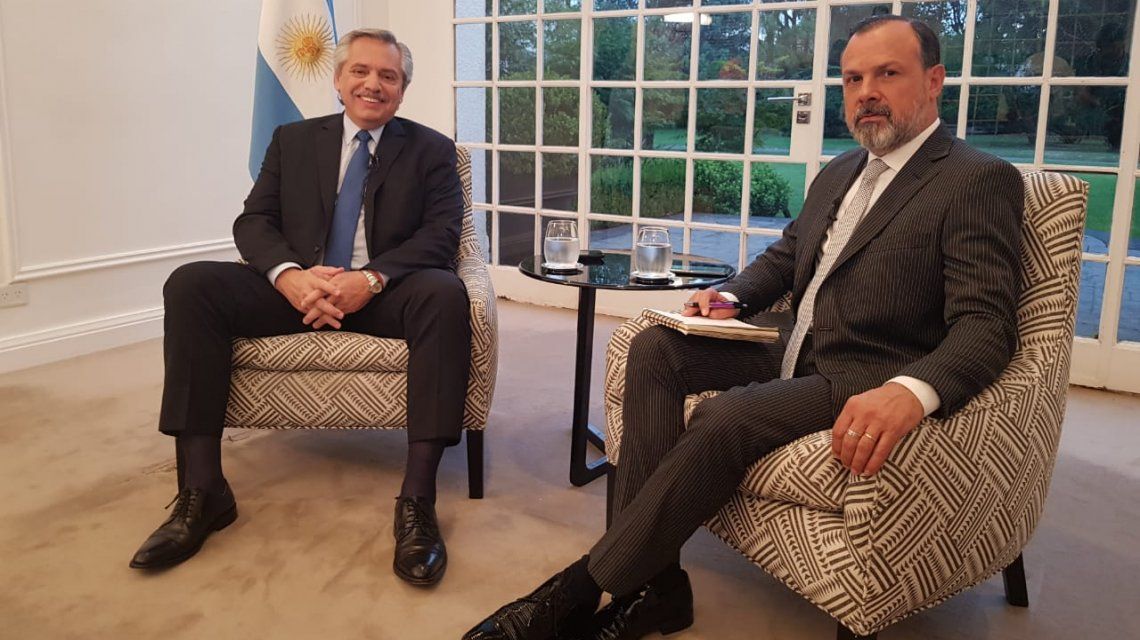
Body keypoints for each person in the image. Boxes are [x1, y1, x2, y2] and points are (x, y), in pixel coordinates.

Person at [465, 14, 1024, 640]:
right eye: (852, 79)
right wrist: (730, 295)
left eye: (887, 74)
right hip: (790, 340)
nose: (866, 92)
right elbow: (787, 256)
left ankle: (577, 590)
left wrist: (912, 391)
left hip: (864, 371)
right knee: (654, 349)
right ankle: (660, 587)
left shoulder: (975, 179)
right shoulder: (841, 170)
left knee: (724, 417)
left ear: (934, 81)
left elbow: (986, 324)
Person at [129, 29, 469, 587]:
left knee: (445, 294)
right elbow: (254, 221)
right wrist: (290, 277)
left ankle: (417, 502)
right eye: (360, 71)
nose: (373, 84)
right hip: (299, 288)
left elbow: (441, 235)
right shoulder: (291, 140)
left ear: (403, 90)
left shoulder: (433, 150)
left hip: (383, 293)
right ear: (338, 80)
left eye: (388, 76)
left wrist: (369, 279)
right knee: (191, 285)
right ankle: (203, 490)